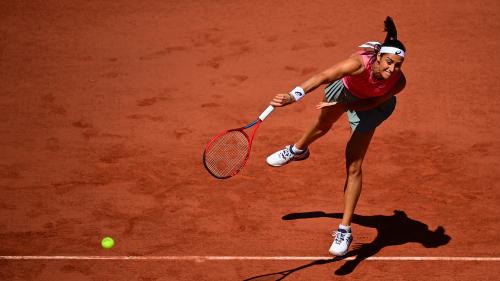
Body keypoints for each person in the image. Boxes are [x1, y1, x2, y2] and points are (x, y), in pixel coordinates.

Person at [266, 16, 407, 256]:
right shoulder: (357, 64)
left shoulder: (397, 82)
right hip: (346, 89)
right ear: (380, 57)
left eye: (397, 65)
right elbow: (323, 76)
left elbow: (372, 103)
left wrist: (344, 105)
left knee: (353, 165)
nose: (391, 69)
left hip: (369, 107)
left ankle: (345, 230)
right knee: (323, 123)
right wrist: (293, 96)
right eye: (388, 62)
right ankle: (298, 150)